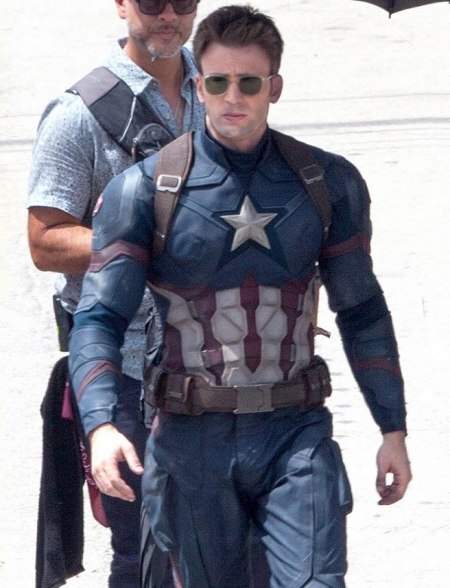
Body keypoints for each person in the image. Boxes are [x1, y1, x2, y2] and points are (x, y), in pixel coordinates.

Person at [68, 4, 413, 587]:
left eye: (249, 82)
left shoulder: (328, 182)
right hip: (190, 439)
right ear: (198, 86)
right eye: (218, 82)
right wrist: (100, 424)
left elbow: (361, 310)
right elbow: (99, 316)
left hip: (295, 432)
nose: (233, 97)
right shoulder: (144, 190)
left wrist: (392, 429)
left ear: (273, 87)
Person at [27, 1, 204, 586]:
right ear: (122, 4)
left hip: (223, 359)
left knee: (231, 542)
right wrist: (142, 239)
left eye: (183, 1)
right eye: (152, 2)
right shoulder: (79, 113)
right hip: (123, 369)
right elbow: (46, 240)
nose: (168, 15)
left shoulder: (221, 91)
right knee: (144, 548)